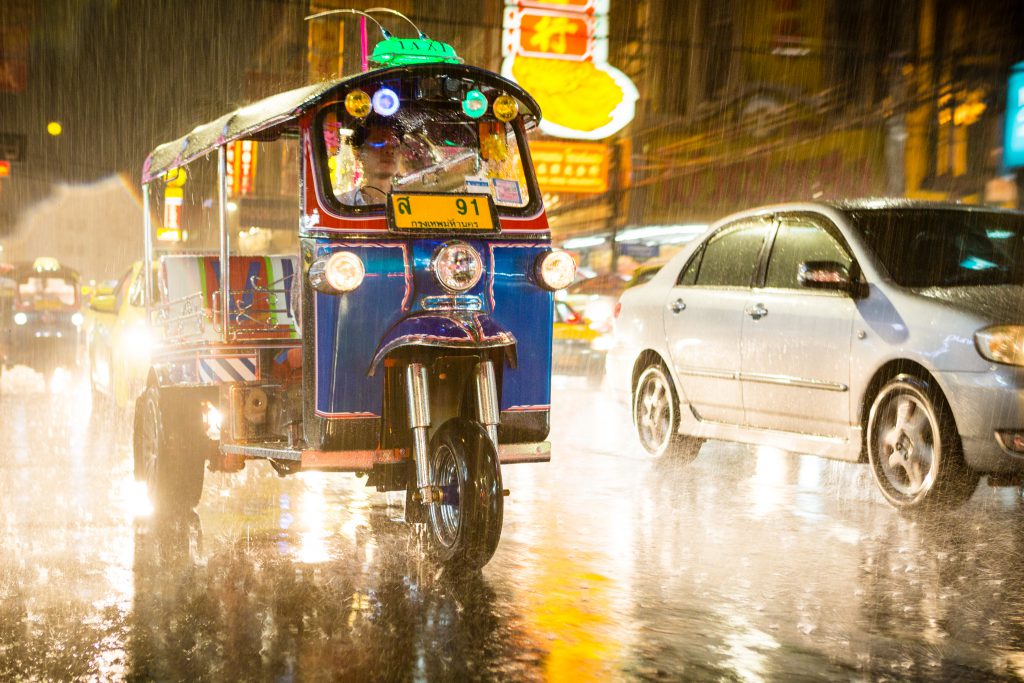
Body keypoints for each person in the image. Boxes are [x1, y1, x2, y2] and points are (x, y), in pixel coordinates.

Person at [338, 123, 402, 206]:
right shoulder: (341, 205)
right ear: (358, 153)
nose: (390, 150)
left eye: (395, 144)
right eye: (380, 142)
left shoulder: (414, 203)